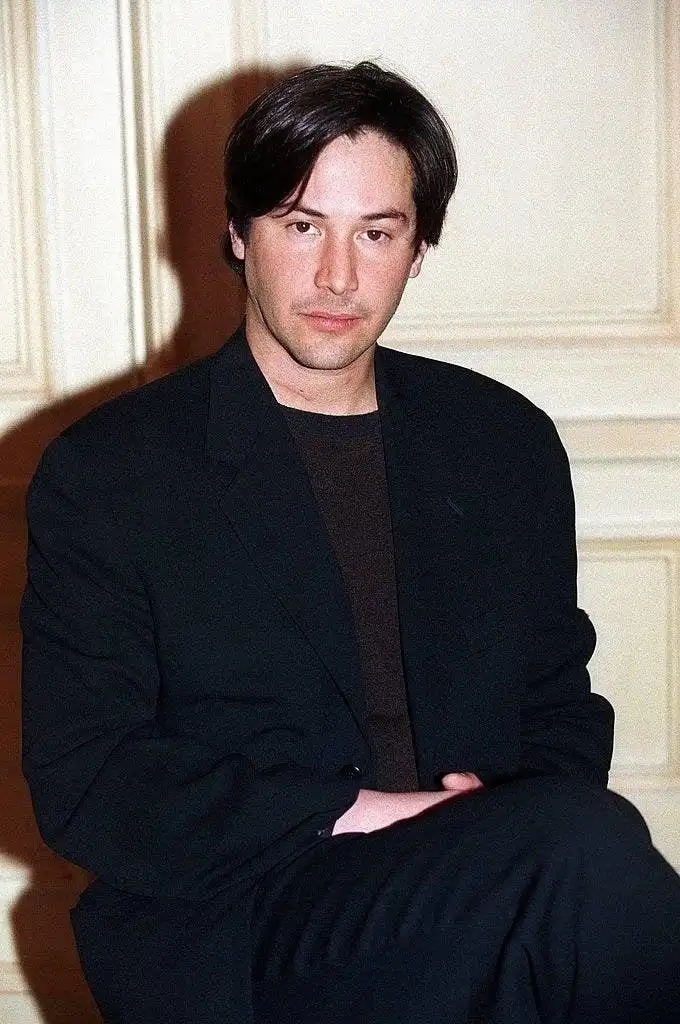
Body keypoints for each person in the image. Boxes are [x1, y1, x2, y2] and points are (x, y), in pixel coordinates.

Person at [21, 61, 680, 1024]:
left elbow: (557, 704)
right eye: (302, 225)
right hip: (237, 923)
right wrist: (379, 815)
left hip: (480, 890)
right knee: (591, 856)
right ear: (238, 232)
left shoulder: (502, 444)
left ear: (419, 249)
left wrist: (499, 815)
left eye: (377, 232)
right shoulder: (112, 470)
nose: (338, 275)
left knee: (583, 858)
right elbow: (90, 777)